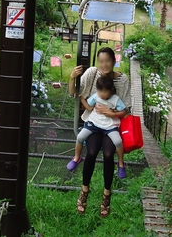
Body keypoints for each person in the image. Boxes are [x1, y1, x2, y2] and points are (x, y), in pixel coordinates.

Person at [68, 47, 131, 217]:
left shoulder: (122, 80)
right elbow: (75, 94)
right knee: (92, 151)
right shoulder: (92, 73)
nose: (104, 65)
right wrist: (72, 78)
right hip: (94, 122)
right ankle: (84, 190)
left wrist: (110, 113)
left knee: (109, 154)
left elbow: (126, 108)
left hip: (112, 124)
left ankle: (106, 194)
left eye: (107, 61)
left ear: (114, 61)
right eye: (101, 61)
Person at [66, 75, 126, 177]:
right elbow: (89, 108)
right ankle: (76, 158)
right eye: (100, 91)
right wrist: (82, 100)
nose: (102, 94)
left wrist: (113, 114)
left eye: (105, 91)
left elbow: (123, 111)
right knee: (80, 137)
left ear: (111, 90)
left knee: (118, 141)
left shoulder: (115, 99)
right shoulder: (96, 96)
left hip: (110, 126)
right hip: (94, 123)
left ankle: (120, 163)